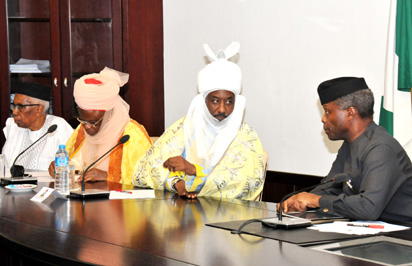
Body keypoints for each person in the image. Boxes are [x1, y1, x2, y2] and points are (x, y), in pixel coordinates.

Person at [133, 42, 265, 200]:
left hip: (223, 217)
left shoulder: (246, 136)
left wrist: (194, 170)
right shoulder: (183, 128)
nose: (222, 109)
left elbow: (244, 182)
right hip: (178, 212)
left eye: (229, 101)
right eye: (215, 101)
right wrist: (177, 184)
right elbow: (149, 168)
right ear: (203, 101)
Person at [282, 77, 412, 222]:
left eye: (327, 111)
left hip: (402, 236)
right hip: (372, 230)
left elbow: (368, 208)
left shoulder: (381, 148)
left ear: (350, 112)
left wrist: (315, 200)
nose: (323, 119)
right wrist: (298, 201)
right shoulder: (349, 144)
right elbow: (330, 187)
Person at [48, 67, 152, 185]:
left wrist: (108, 176)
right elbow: (74, 163)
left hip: (120, 201)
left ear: (110, 113)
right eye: (83, 120)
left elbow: (148, 177)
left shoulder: (131, 134)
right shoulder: (82, 129)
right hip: (85, 197)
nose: (87, 127)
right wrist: (60, 168)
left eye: (94, 122)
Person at [2, 81, 73, 171]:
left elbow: (75, 164)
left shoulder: (58, 127)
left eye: (20, 107)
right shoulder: (13, 126)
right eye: (14, 106)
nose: (14, 112)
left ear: (39, 109)